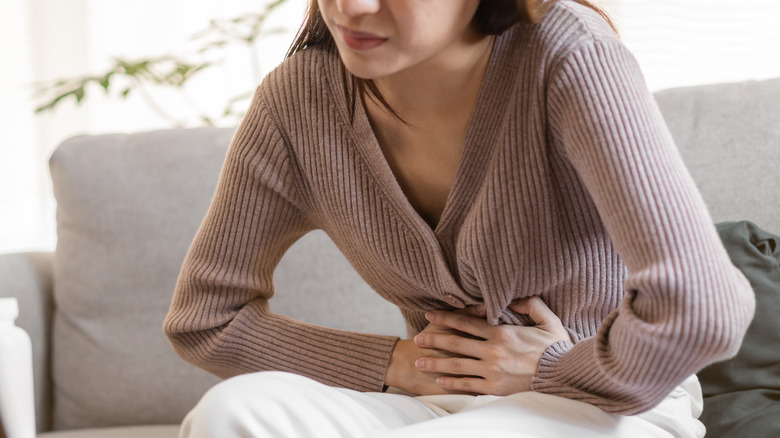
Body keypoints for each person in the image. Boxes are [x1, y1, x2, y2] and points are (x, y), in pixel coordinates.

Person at [163, 0, 756, 436]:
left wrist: (552, 368)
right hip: (441, 405)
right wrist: (402, 364)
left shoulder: (568, 56)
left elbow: (704, 307)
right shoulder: (299, 102)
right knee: (233, 414)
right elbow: (205, 318)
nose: (352, 6)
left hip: (612, 406)